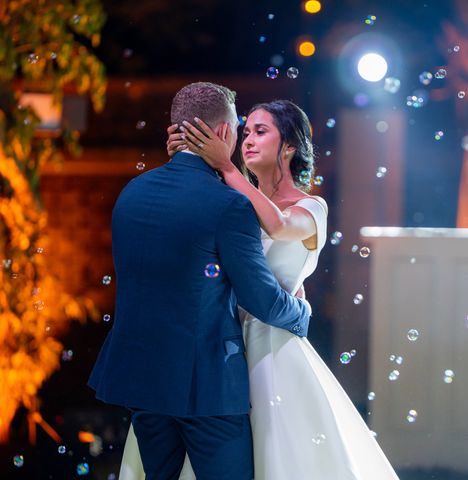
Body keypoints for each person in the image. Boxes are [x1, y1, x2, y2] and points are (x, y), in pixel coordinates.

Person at [121, 99, 399, 479]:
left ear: (289, 146)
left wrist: (224, 165)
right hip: (220, 346)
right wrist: (192, 157)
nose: (247, 139)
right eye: (246, 131)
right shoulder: (235, 200)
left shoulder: (310, 207)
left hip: (273, 347)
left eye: (261, 131)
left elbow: (280, 225)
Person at [88, 83, 312, 480]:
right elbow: (262, 300)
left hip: (143, 381)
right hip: (206, 387)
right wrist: (302, 313)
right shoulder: (229, 206)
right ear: (224, 134)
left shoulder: (132, 193)